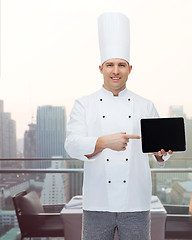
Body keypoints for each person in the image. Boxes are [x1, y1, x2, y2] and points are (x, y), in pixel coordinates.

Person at [65, 12, 173, 240]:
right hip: (97, 201)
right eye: (110, 65)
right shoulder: (84, 104)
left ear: (130, 68)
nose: (116, 71)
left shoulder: (146, 105)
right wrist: (104, 142)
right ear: (101, 68)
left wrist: (161, 155)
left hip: (136, 201)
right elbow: (71, 145)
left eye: (121, 65)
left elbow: (159, 151)